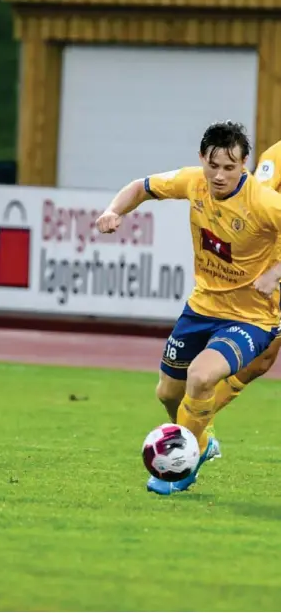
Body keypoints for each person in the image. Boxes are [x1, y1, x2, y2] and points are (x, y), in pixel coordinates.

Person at [95, 121, 281, 495]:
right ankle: (203, 440)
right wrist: (113, 211)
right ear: (202, 158)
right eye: (213, 165)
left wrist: (276, 272)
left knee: (201, 377)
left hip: (251, 316)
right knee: (167, 394)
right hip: (201, 308)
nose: (219, 175)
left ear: (244, 165)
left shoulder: (263, 201)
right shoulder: (193, 181)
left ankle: (183, 469)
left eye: (229, 168)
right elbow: (141, 187)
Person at [206, 139, 281, 433]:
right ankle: (197, 417)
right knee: (262, 359)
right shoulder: (275, 156)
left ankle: (196, 417)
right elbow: (256, 202)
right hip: (274, 264)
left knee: (263, 361)